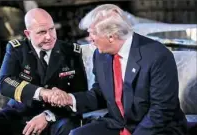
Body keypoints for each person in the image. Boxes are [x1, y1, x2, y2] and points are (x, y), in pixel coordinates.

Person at [48, 4, 187, 135]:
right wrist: (70, 99)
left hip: (157, 128)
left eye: (92, 33)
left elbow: (161, 111)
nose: (89, 39)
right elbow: (100, 95)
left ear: (111, 36)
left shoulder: (157, 55)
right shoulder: (100, 55)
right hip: (119, 124)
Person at [0, 8, 88, 135]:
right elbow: (4, 82)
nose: (49, 36)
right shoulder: (17, 50)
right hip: (21, 114)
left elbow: (80, 94)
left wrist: (47, 116)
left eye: (51, 29)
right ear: (28, 34)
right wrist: (42, 93)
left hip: (56, 116)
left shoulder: (71, 52)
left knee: (68, 127)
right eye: (42, 32)